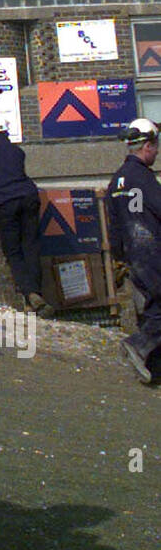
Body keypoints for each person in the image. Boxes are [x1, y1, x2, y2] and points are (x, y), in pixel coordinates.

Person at [0, 123, 54, 316]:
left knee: (13, 251)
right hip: (28, 197)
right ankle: (36, 294)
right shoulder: (17, 151)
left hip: (4, 203)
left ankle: (30, 294)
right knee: (31, 246)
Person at [106, 117, 161, 385]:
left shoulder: (117, 182)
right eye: (156, 146)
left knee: (153, 309)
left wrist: (120, 257)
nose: (157, 152)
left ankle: (155, 370)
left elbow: (113, 225)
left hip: (134, 255)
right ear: (147, 145)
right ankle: (139, 344)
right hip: (152, 252)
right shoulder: (144, 178)